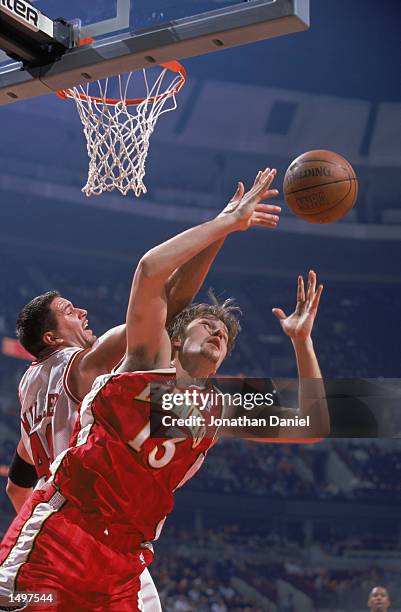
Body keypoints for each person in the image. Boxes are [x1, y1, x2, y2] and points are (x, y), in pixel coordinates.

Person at [0, 168, 328, 611]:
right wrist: (224, 226)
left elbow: (313, 422)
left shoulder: (218, 407)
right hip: (65, 534)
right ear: (172, 339)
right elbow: (155, 275)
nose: (216, 333)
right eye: (205, 325)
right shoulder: (141, 366)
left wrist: (302, 342)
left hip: (124, 561)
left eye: (224, 336)